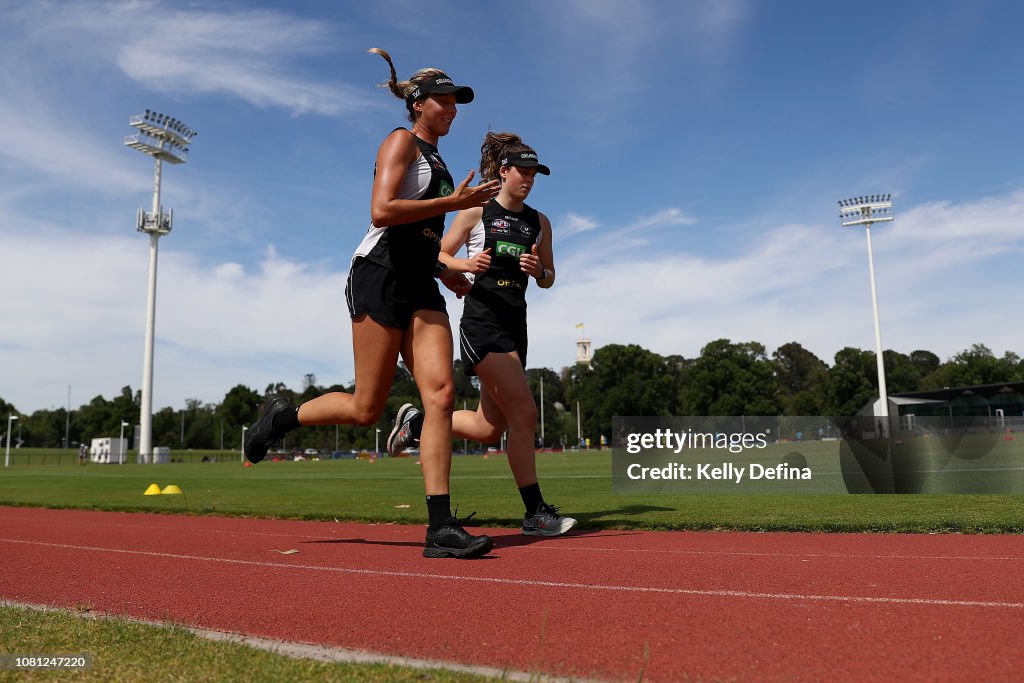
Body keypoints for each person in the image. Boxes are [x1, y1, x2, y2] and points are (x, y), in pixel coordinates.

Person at [244, 48, 500, 559]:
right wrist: (453, 205)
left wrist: (447, 271)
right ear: (418, 102)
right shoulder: (399, 141)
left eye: (457, 102)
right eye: (445, 100)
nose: (452, 108)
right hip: (378, 276)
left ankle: (440, 527)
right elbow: (382, 212)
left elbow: (424, 237)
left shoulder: (442, 163)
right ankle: (280, 419)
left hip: (420, 285)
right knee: (366, 409)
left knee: (442, 396)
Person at [388, 132, 577, 537]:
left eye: (534, 174)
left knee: (488, 428)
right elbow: (435, 253)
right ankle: (535, 512)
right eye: (522, 171)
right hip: (481, 325)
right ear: (504, 172)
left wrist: (538, 271)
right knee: (525, 414)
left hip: (516, 326)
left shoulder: (539, 222)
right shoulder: (476, 213)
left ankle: (418, 424)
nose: (528, 179)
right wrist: (466, 263)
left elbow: (549, 277)